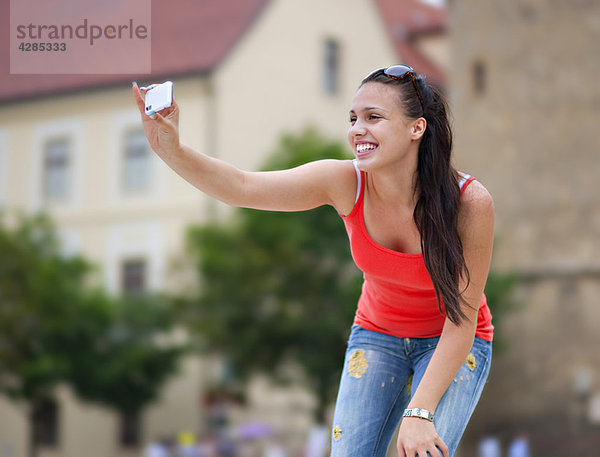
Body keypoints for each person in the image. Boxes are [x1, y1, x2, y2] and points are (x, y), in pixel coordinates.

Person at [132, 64, 495, 457]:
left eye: (374, 117)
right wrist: (171, 149)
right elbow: (242, 186)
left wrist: (419, 412)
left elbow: (461, 318)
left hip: (453, 338)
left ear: (416, 128)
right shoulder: (345, 183)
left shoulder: (469, 204)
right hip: (378, 336)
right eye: (353, 118)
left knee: (423, 450)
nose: (358, 129)